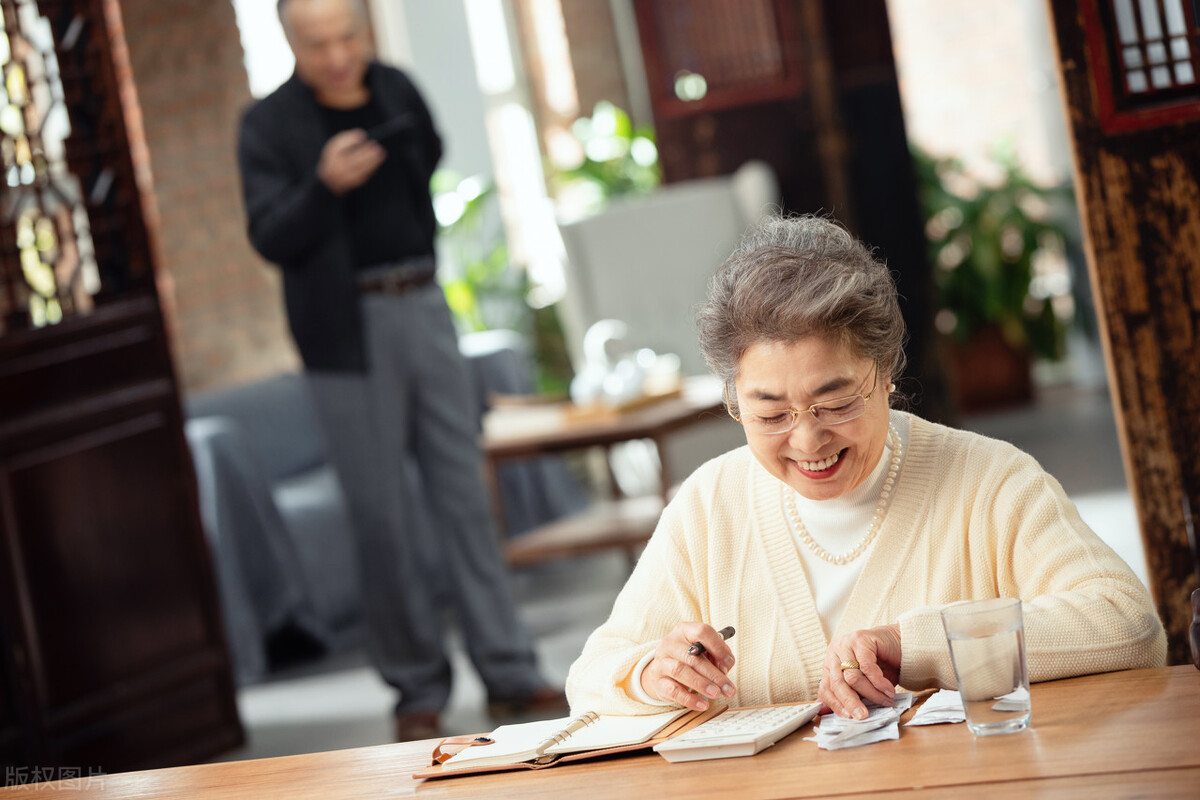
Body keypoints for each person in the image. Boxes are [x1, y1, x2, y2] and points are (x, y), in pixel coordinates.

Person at [566, 214, 1166, 720]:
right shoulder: (709, 506)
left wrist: (913, 647)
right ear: (733, 402)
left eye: (835, 402)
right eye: (770, 414)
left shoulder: (990, 482)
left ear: (886, 373)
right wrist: (651, 675)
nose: (807, 438)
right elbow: (592, 675)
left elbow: (1129, 624)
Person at [236, 0, 564, 740]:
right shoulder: (267, 126)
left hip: (423, 306)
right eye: (318, 43)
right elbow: (269, 235)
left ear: (365, 27)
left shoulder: (397, 89)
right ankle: (417, 686)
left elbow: (431, 161)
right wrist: (324, 185)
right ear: (292, 41)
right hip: (344, 334)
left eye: (348, 35)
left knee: (465, 499)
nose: (338, 55)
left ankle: (510, 670)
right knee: (383, 517)